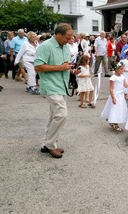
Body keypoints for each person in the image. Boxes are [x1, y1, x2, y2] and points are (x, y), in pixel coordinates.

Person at [34, 23, 75, 159]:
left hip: (62, 85)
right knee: (61, 114)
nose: (70, 40)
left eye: (71, 38)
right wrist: (60, 68)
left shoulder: (66, 47)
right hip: (51, 86)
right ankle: (50, 145)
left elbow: (64, 65)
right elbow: (38, 67)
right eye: (67, 38)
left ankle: (47, 143)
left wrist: (72, 70)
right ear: (58, 35)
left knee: (54, 116)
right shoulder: (46, 46)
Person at [101, 61, 128, 132]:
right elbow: (111, 88)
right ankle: (115, 123)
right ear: (116, 69)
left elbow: (125, 84)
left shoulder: (122, 77)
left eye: (123, 69)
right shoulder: (113, 78)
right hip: (116, 95)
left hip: (121, 96)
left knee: (119, 109)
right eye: (121, 69)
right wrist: (113, 97)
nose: (123, 70)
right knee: (115, 109)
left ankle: (113, 121)